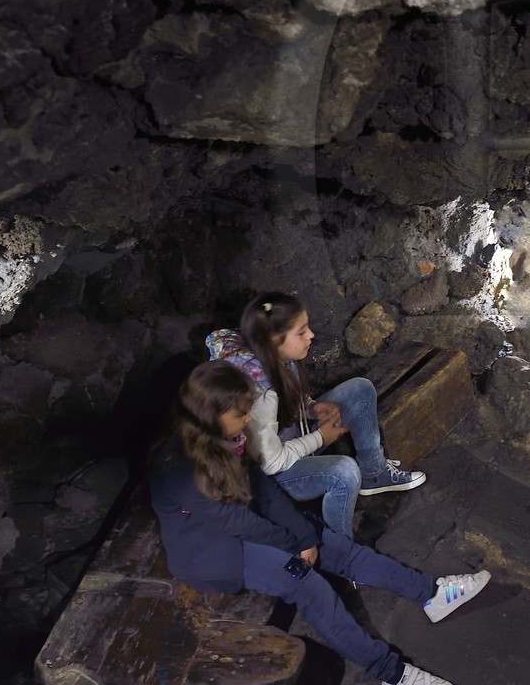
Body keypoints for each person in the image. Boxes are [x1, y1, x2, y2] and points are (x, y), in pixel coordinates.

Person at [149, 361, 490, 685]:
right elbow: (238, 524)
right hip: (213, 552)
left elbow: (264, 491)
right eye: (241, 413)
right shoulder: (179, 468)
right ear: (212, 414)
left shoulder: (229, 438)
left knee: (336, 547)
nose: (249, 417)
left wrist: (302, 535)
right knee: (309, 587)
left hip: (246, 523)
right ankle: (393, 672)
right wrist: (293, 544)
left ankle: (432, 594)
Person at [207, 291, 424, 538]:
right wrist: (322, 437)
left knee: (360, 389)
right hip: (273, 477)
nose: (311, 335)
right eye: (301, 332)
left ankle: (374, 475)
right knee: (344, 472)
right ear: (274, 339)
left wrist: (310, 407)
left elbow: (288, 395)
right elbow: (270, 462)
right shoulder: (258, 393)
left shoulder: (274, 357)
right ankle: (340, 552)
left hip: (288, 437)